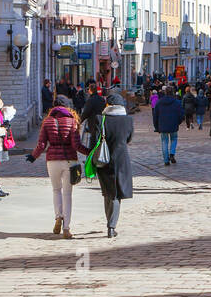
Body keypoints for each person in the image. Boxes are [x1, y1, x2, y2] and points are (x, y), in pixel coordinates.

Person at [24, 95, 85, 238]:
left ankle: (58, 216)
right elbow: (76, 145)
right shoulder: (72, 121)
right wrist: (90, 152)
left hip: (52, 160)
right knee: (67, 194)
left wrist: (33, 156)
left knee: (56, 190)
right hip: (69, 159)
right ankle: (67, 228)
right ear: (67, 107)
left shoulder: (47, 122)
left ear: (54, 106)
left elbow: (41, 145)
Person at [94, 90, 134, 238]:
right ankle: (111, 226)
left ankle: (110, 223)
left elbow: (95, 141)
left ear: (108, 104)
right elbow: (129, 139)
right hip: (122, 159)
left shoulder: (101, 119)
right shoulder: (128, 120)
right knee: (117, 193)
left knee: (108, 193)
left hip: (104, 161)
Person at [153, 85, 184, 166]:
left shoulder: (159, 102)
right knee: (174, 139)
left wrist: (156, 127)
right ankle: (172, 153)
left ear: (165, 92)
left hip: (163, 125)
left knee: (164, 142)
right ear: (173, 92)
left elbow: (155, 115)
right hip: (173, 124)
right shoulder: (177, 102)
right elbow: (181, 114)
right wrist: (178, 122)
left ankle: (166, 160)